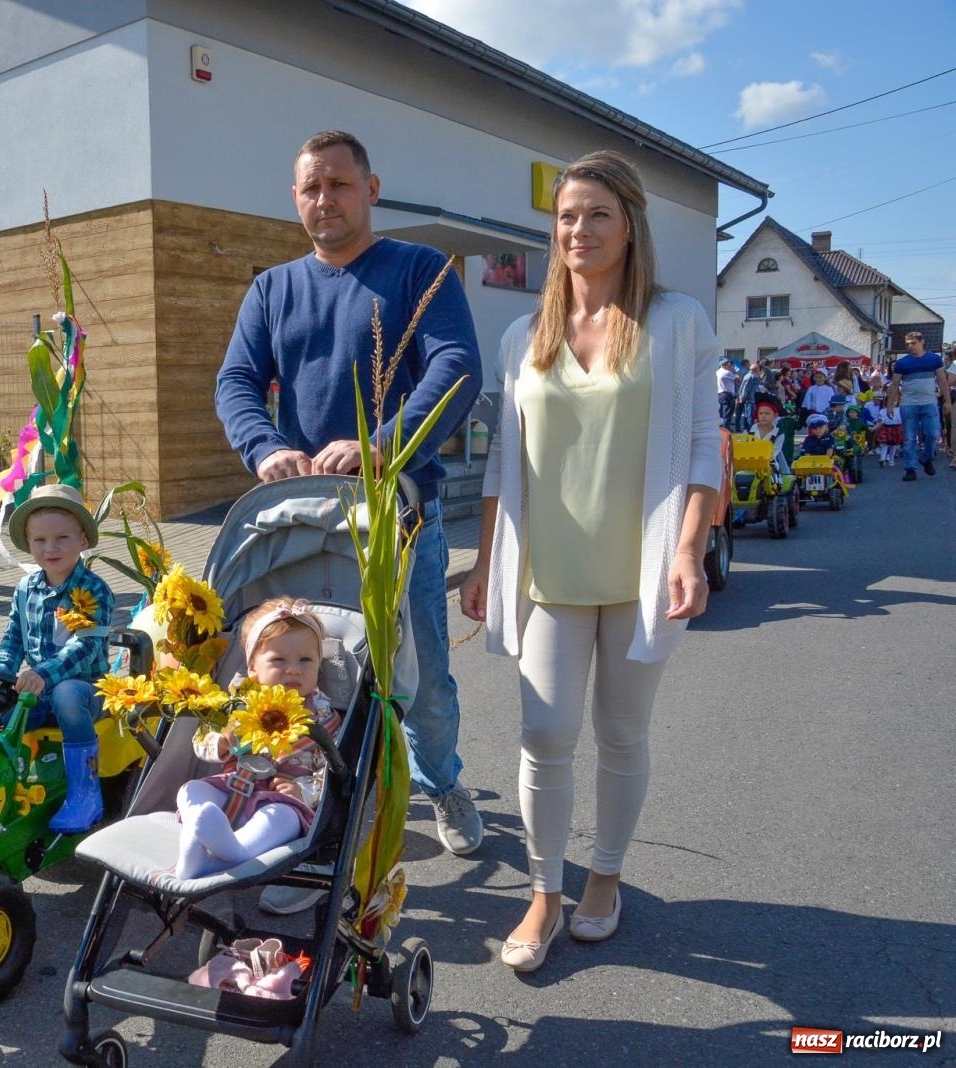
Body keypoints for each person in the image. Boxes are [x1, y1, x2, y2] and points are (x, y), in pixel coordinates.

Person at [458, 151, 719, 973]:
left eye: (597, 213)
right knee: (544, 730)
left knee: (619, 732)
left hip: (638, 570)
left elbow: (708, 445)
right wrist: (481, 560)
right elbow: (505, 458)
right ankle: (544, 890)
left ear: (631, 223)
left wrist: (688, 549)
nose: (579, 229)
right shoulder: (520, 335)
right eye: (567, 216)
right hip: (549, 574)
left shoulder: (676, 323)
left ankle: (603, 877)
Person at [214, 130, 485, 885]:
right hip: (305, 519)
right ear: (296, 198)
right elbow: (235, 381)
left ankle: (440, 783)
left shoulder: (418, 272)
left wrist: (384, 444)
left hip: (401, 515)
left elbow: (457, 368)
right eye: (310, 187)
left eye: (338, 184)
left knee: (418, 674)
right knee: (301, 666)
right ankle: (294, 782)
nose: (323, 199)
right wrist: (264, 447)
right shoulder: (273, 289)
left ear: (371, 188)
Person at [173, 598, 341, 880]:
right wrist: (222, 741)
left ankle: (228, 853)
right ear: (252, 666)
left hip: (279, 799)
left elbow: (330, 768)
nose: (293, 669)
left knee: (284, 818)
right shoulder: (239, 702)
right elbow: (201, 740)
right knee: (190, 790)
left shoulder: (322, 714)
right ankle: (197, 832)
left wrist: (303, 791)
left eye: (305, 660)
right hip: (233, 788)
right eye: (278, 660)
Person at [0, 483, 115, 833]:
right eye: (40, 541)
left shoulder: (93, 590)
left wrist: (44, 672)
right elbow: (13, 638)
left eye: (62, 538)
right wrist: (0, 673)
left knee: (66, 694)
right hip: (38, 689)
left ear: (83, 541)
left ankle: (85, 793)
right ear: (29, 544)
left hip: (87, 691)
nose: (51, 548)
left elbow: (86, 645)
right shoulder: (25, 588)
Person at [887, 331, 950, 481]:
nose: (910, 346)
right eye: (908, 344)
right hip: (909, 404)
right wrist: (889, 405)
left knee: (933, 434)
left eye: (913, 343)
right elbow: (895, 384)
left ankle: (926, 458)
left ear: (922, 342)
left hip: (929, 402)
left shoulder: (934, 359)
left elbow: (942, 381)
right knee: (909, 437)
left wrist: (947, 401)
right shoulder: (902, 363)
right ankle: (910, 468)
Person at [751, 394, 791, 477]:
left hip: (769, 465)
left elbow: (774, 453)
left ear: (775, 415)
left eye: (767, 413)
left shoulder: (778, 434)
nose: (763, 416)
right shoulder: (750, 431)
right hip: (749, 463)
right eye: (761, 413)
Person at [734, 359, 762, 432]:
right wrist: (741, 398)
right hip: (749, 399)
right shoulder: (751, 376)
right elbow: (745, 388)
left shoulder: (751, 376)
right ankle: (749, 430)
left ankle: (747, 429)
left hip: (748, 399)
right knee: (749, 416)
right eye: (759, 369)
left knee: (747, 416)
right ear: (756, 369)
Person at [717, 359, 737, 427]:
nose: (730, 366)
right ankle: (725, 429)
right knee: (727, 413)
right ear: (725, 365)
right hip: (728, 394)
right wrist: (734, 371)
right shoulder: (727, 372)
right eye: (729, 365)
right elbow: (738, 380)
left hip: (719, 393)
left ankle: (719, 428)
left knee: (721, 412)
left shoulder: (717, 372)